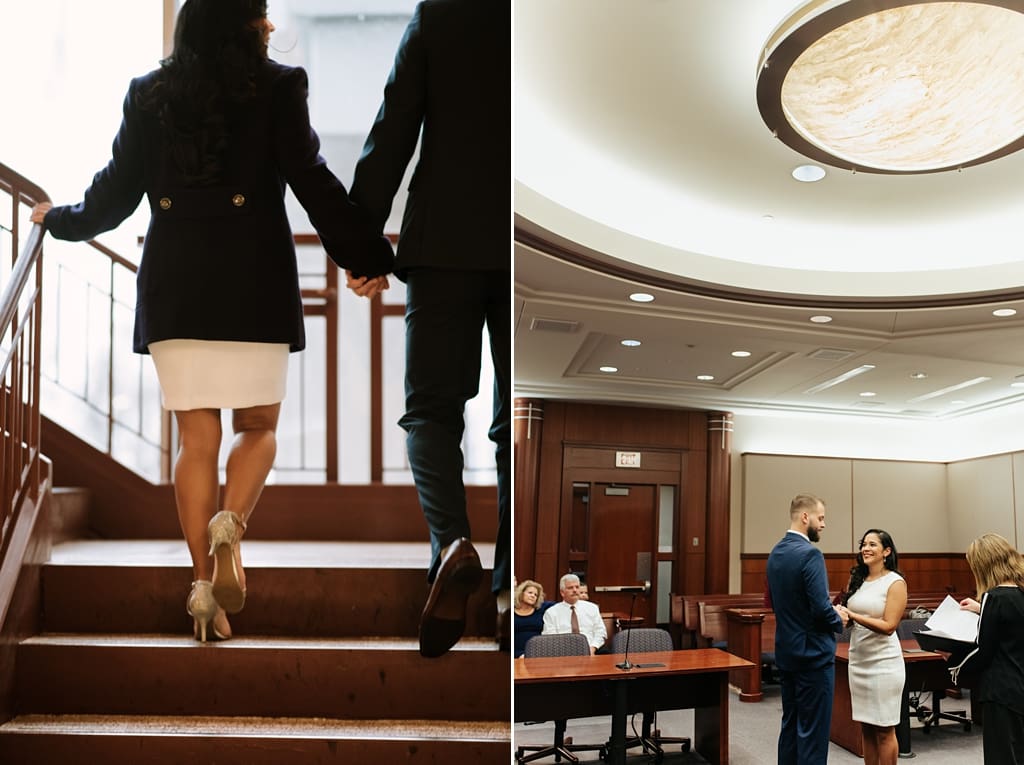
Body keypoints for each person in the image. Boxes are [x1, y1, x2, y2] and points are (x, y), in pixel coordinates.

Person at [30, 0, 393, 643]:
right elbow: (312, 179)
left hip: (178, 288)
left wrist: (59, 219)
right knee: (258, 428)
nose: (272, 25)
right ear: (241, 25)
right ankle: (231, 522)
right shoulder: (280, 87)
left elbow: (113, 195)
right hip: (251, 283)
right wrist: (365, 256)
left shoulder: (148, 94)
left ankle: (204, 588)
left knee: (197, 442)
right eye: (261, 15)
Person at [342, 0, 510, 658]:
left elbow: (393, 132)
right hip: (517, 240)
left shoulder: (439, 15)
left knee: (431, 412)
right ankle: (504, 591)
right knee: (510, 423)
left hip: (442, 241)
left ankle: (453, 543)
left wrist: (361, 245)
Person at [766, 493, 849, 765]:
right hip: (813, 657)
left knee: (790, 725)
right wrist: (839, 618)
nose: (823, 524)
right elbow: (820, 609)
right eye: (821, 518)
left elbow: (776, 603)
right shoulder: (810, 554)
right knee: (813, 733)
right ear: (805, 517)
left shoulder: (776, 552)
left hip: (788, 653)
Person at [837, 529, 908, 765]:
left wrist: (853, 615)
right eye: (863, 544)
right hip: (859, 661)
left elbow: (889, 626)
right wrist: (841, 616)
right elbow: (849, 617)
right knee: (866, 727)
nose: (865, 549)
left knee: (884, 730)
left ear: (886, 551)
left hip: (884, 664)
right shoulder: (858, 579)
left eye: (872, 545)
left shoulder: (895, 582)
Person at [952, 533, 1024, 763]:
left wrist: (954, 666)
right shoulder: (1019, 592)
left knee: (1001, 757)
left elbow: (983, 651)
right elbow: (1011, 624)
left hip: (1001, 690)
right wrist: (981, 608)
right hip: (1020, 685)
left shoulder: (993, 597)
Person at [542, 573, 606, 655]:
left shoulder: (592, 608)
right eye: (570, 588)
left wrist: (593, 648)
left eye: (577, 587)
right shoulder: (551, 612)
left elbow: (601, 632)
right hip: (562, 653)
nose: (575, 590)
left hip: (591, 649)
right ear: (562, 592)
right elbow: (549, 637)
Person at [513, 579, 554, 658]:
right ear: (521, 593)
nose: (533, 596)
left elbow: (560, 605)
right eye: (530, 593)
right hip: (515, 653)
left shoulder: (541, 609)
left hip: (537, 653)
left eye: (536, 595)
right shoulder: (512, 611)